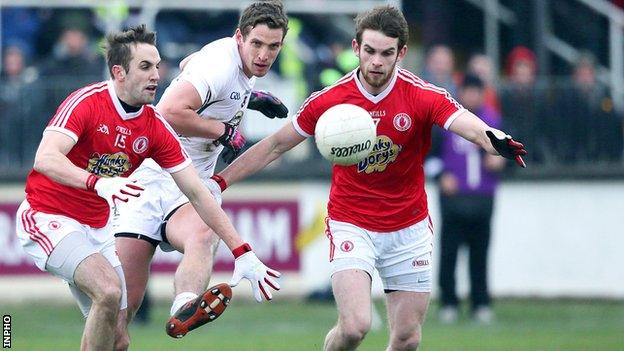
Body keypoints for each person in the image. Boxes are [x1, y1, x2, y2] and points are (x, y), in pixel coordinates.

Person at [207, 5, 526, 351]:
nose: (376, 61)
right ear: (356, 47)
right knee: (355, 326)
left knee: (407, 339)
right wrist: (218, 182)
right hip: (352, 223)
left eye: (387, 53)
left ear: (401, 53)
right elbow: (274, 146)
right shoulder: (330, 100)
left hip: (409, 227)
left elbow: (470, 126)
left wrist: (495, 138)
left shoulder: (421, 94)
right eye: (369, 51)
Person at [14, 24, 278, 351]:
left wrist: (242, 250)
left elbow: (197, 193)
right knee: (108, 290)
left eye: (156, 65)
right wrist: (97, 184)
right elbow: (45, 158)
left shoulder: (154, 127)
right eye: (144, 67)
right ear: (118, 73)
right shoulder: (87, 102)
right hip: (47, 216)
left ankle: (181, 301)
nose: (156, 75)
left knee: (118, 340)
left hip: (97, 228)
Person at [112, 0, 289, 339]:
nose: (264, 54)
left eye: (273, 46)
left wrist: (249, 98)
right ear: (240, 37)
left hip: (189, 185)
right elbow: (167, 111)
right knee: (118, 320)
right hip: (149, 180)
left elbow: (188, 67)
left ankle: (184, 306)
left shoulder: (234, 63)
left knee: (203, 234)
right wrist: (224, 130)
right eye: (257, 44)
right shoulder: (220, 64)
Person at [436, 74, 505, 325]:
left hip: (482, 198)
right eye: (468, 91)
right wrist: (441, 175)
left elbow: (513, 153)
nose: (472, 96)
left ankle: (481, 303)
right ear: (461, 92)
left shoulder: (494, 120)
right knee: (449, 253)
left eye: (477, 91)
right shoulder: (447, 119)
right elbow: (429, 156)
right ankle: (449, 302)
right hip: (453, 199)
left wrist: (500, 161)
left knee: (480, 253)